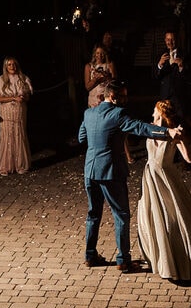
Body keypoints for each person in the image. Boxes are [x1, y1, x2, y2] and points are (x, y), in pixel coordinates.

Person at [78, 81, 182, 273]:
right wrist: (167, 131)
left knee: (93, 214)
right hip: (110, 172)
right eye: (123, 96)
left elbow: (81, 138)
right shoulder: (118, 114)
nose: (126, 100)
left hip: (90, 171)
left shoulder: (88, 113)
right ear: (113, 96)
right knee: (121, 215)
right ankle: (123, 260)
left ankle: (90, 255)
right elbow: (141, 128)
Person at [134, 99, 191, 282]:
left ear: (160, 112)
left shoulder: (174, 133)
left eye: (154, 110)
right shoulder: (151, 128)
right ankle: (160, 259)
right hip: (150, 177)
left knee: (174, 216)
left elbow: (189, 159)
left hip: (166, 178)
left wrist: (182, 141)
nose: (151, 114)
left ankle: (179, 258)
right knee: (153, 216)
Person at [0, 56, 33, 176]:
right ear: (5, 66)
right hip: (6, 111)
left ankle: (20, 164)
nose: (12, 67)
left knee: (19, 134)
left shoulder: (23, 78)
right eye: (9, 65)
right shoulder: (0, 80)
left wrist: (22, 97)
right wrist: (13, 98)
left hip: (19, 111)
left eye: (14, 64)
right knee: (7, 135)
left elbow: (28, 97)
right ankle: (5, 165)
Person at [83, 44, 117, 108]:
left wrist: (106, 76)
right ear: (94, 54)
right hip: (93, 100)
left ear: (105, 54)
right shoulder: (89, 66)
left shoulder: (110, 64)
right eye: (98, 53)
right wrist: (96, 79)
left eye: (102, 53)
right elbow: (87, 87)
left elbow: (115, 83)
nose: (100, 55)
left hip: (106, 99)